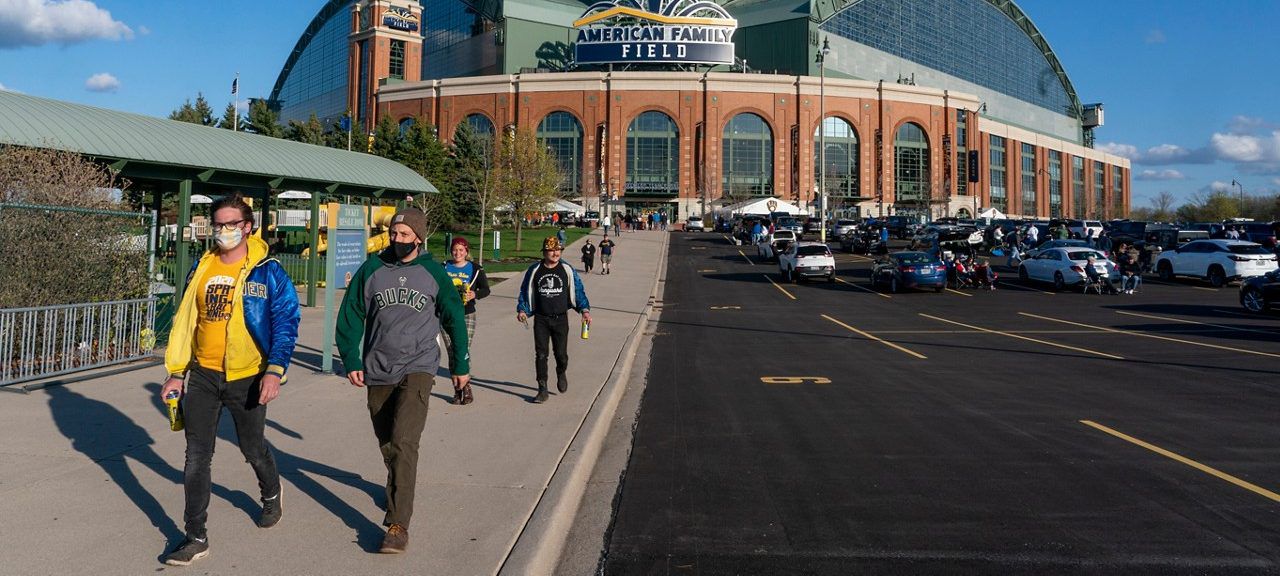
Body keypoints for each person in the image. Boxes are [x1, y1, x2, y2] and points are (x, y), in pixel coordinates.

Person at [160, 194, 300, 567]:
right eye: (218, 225)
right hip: (203, 376)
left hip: (248, 376)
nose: (223, 231)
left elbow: (286, 322)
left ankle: (271, 493)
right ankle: (195, 535)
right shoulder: (202, 267)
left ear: (248, 227)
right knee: (196, 457)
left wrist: (274, 370)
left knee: (252, 448)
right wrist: (176, 371)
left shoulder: (267, 270)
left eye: (231, 225)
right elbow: (187, 322)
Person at [335, 207, 470, 554]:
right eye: (394, 233)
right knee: (388, 442)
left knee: (404, 440)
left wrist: (459, 365)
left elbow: (453, 316)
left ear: (419, 237)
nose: (397, 240)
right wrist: (351, 357)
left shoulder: (431, 272)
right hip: (379, 367)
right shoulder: (373, 269)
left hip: (419, 366)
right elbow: (350, 314)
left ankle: (397, 525)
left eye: (405, 234)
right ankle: (397, 483)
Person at [516, 236, 592, 404]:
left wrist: (584, 310)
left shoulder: (566, 269)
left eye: (558, 250)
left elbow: (578, 290)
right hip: (541, 319)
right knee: (541, 354)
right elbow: (525, 291)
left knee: (561, 354)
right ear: (544, 252)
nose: (555, 253)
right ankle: (542, 388)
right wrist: (523, 309)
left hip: (561, 319)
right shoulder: (535, 270)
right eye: (551, 250)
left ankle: (561, 371)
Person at [442, 237, 490, 405]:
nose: (458, 253)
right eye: (455, 250)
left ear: (467, 252)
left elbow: (486, 289)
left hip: (466, 313)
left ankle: (466, 388)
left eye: (461, 250)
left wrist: (474, 294)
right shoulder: (444, 267)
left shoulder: (475, 269)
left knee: (462, 351)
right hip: (446, 315)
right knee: (451, 351)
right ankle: (457, 390)